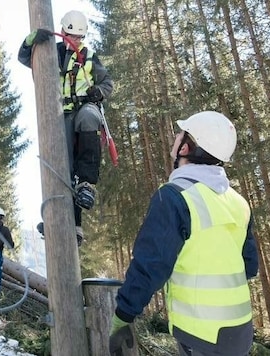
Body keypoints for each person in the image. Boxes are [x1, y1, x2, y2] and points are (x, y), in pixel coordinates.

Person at [109, 111, 259, 356]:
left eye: (179, 134)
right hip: (240, 333)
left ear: (185, 148)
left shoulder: (174, 196)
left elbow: (150, 266)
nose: (175, 138)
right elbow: (249, 267)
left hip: (200, 335)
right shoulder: (239, 203)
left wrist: (123, 316)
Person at [18, 10, 114, 246]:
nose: (76, 41)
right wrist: (32, 40)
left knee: (90, 119)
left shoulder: (89, 57)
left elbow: (107, 83)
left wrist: (98, 92)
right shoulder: (52, 52)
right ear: (63, 33)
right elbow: (23, 57)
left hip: (84, 108)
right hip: (61, 115)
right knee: (64, 165)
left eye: (80, 37)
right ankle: (68, 221)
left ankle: (88, 184)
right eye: (72, 36)